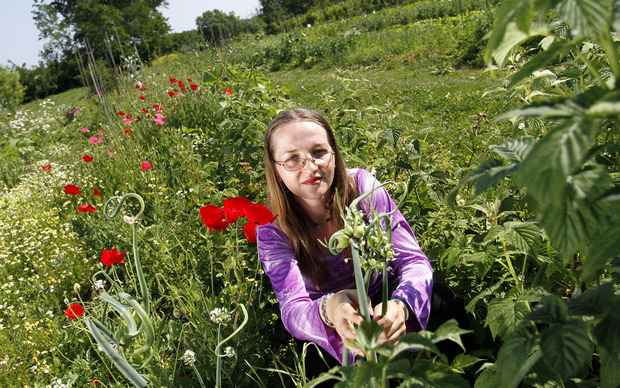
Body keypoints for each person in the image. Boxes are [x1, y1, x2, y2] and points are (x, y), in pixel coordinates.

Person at [257, 109, 433, 372]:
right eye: (292, 158)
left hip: (385, 304)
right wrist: (330, 308)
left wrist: (403, 304)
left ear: (334, 154)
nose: (311, 166)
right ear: (276, 169)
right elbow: (293, 310)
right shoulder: (273, 229)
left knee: (441, 303)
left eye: (319, 152)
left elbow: (413, 261)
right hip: (330, 327)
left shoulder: (362, 188)